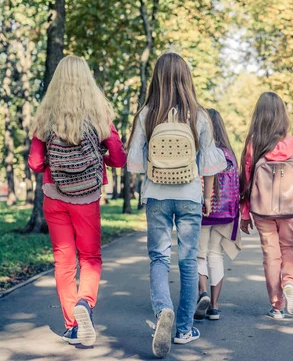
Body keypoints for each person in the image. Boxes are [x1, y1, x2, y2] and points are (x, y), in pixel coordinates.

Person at [127, 53, 226, 358]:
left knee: (158, 258)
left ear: (156, 78)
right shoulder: (198, 115)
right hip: (189, 195)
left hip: (156, 194)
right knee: (187, 261)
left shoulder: (147, 113)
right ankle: (183, 329)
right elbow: (210, 165)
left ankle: (163, 312)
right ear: (186, 78)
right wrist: (208, 197)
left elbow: (135, 163)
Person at [28, 55, 127, 346]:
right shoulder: (99, 114)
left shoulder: (46, 117)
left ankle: (72, 325)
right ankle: (85, 302)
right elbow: (119, 158)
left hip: (54, 195)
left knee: (64, 261)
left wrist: (52, 161)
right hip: (87, 197)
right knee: (91, 258)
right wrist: (100, 158)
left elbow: (35, 164)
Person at [239, 91, 293, 320]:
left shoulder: (254, 143)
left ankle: (277, 305)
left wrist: (244, 213)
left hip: (262, 208)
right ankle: (289, 282)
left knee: (271, 255)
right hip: (289, 207)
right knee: (287, 248)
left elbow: (247, 179)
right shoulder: (292, 144)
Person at [194, 109, 242, 321]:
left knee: (199, 254)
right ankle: (215, 306)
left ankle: (202, 293)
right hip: (225, 212)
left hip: (204, 210)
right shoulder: (230, 154)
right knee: (216, 254)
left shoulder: (203, 152)